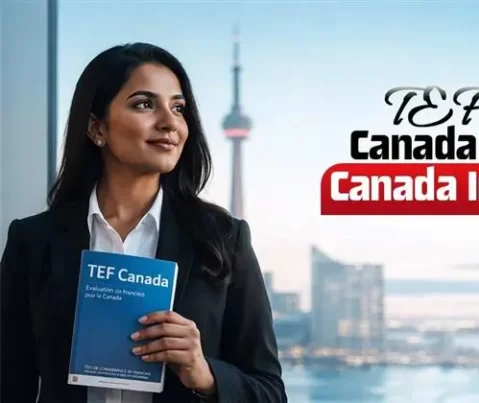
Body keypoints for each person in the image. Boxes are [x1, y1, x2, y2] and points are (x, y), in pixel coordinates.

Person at [0, 43, 287, 403]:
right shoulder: (33, 241)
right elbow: (10, 383)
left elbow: (271, 392)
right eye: (144, 104)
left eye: (178, 108)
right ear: (96, 127)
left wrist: (205, 374)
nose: (169, 122)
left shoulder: (224, 240)